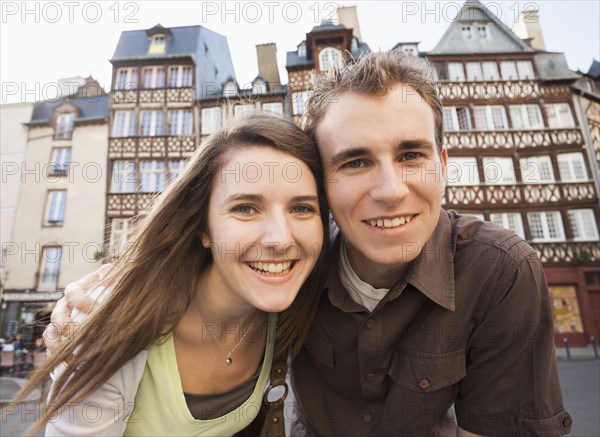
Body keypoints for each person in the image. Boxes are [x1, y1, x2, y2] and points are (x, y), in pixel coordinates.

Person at [43, 51, 572, 437]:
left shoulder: (500, 272)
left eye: (412, 154)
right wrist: (101, 294)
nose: (390, 191)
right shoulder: (293, 267)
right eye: (356, 161)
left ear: (443, 165)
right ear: (324, 185)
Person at [15, 112, 330, 436]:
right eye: (245, 208)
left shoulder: (294, 309)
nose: (280, 239)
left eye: (302, 208)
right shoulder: (111, 325)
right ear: (203, 228)